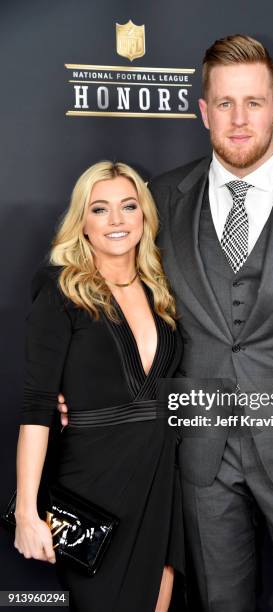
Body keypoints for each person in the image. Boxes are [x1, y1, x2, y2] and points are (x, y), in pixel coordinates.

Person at [59, 35, 273, 611]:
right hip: (199, 454)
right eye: (224, 103)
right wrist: (88, 395)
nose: (240, 120)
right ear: (202, 110)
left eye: (254, 103)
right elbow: (124, 309)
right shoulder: (160, 198)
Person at [14, 161, 184, 612]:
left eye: (128, 207)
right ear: (82, 223)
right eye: (100, 209)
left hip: (164, 481)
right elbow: (36, 408)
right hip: (92, 491)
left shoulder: (163, 290)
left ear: (144, 216)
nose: (116, 221)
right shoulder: (60, 291)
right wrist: (28, 512)